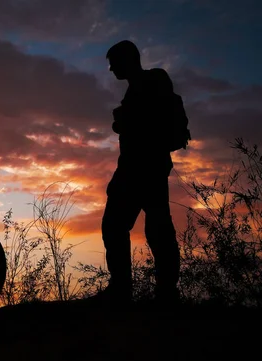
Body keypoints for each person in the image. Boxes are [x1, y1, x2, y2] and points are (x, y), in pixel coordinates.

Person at [99, 40, 180, 306]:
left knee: (138, 228)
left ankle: (137, 292)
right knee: (151, 229)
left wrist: (123, 120)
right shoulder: (141, 87)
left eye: (114, 63)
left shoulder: (150, 82)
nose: (111, 69)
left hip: (142, 168)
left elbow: (147, 123)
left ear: (127, 60)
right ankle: (158, 293)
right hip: (143, 167)